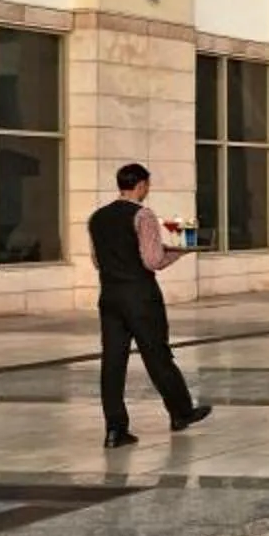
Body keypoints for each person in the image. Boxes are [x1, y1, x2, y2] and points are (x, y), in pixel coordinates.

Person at [88, 164, 212, 448]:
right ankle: (181, 412)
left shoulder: (97, 217)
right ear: (141, 185)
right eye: (148, 185)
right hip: (140, 297)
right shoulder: (143, 215)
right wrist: (181, 252)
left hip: (109, 297)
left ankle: (115, 429)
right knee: (157, 355)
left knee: (113, 363)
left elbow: (97, 260)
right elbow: (152, 260)